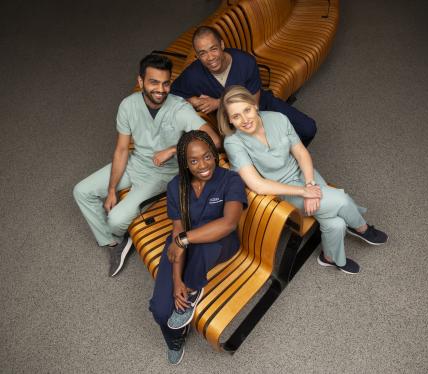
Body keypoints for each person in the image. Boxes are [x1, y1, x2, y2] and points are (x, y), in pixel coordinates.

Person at [73, 54, 220, 277]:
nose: (161, 89)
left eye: (166, 82)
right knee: (81, 191)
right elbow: (122, 150)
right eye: (153, 82)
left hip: (163, 174)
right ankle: (113, 243)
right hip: (136, 162)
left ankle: (117, 231)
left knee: (115, 220)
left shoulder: (179, 109)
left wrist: (173, 149)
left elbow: (215, 140)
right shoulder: (128, 105)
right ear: (141, 81)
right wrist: (112, 189)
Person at [219, 86, 388, 275]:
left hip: (303, 174)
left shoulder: (278, 119)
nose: (244, 120)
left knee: (337, 223)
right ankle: (362, 228)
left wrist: (309, 184)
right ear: (230, 120)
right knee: (341, 199)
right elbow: (257, 184)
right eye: (236, 116)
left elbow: (300, 152)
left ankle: (329, 258)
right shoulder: (233, 142)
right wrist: (303, 192)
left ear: (254, 105)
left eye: (246, 110)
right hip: (281, 190)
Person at [149, 130, 247, 365]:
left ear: (214, 155)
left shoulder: (230, 180)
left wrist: (184, 240)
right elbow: (177, 232)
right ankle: (175, 338)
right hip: (184, 243)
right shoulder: (176, 187)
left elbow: (228, 223)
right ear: (185, 163)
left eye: (207, 157)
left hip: (221, 243)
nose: (202, 165)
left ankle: (193, 290)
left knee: (206, 244)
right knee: (161, 310)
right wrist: (176, 281)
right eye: (193, 160)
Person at [171, 26, 317, 146]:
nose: (210, 57)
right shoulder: (193, 74)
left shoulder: (245, 61)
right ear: (197, 56)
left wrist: (218, 102)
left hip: (260, 105)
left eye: (213, 49)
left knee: (308, 128)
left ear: (222, 45)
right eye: (202, 53)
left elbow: (253, 103)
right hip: (234, 123)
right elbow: (173, 93)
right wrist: (194, 101)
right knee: (263, 150)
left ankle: (294, 155)